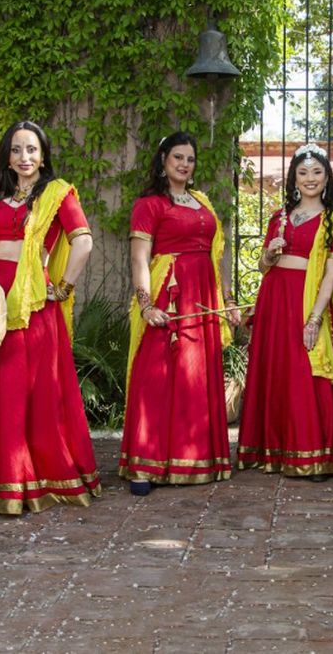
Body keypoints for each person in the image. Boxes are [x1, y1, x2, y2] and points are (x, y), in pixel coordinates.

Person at [0, 121, 101, 515]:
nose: (24, 158)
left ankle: (29, 476)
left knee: (26, 387)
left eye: (31, 150)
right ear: (7, 157)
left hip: (30, 300)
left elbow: (84, 241)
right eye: (16, 150)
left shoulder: (58, 195)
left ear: (43, 154)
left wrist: (60, 286)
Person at [121, 131, 241, 495]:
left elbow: (215, 255)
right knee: (156, 375)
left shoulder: (201, 201)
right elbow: (139, 257)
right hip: (168, 294)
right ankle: (146, 464)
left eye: (190, 159)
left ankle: (198, 458)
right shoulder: (150, 204)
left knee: (195, 375)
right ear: (163, 160)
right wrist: (146, 304)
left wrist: (227, 300)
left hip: (202, 297)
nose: (185, 165)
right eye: (178, 158)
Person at [237, 144, 333, 479]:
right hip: (275, 298)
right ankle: (273, 451)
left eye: (317, 172)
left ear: (327, 178)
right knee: (276, 370)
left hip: (307, 301)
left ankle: (313, 454)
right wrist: (270, 255)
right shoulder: (278, 218)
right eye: (303, 173)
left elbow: (331, 274)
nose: (310, 179)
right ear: (294, 177)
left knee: (307, 371)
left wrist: (315, 317)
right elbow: (263, 267)